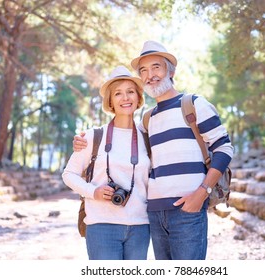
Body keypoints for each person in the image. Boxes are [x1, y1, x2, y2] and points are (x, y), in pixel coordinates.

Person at [73, 41, 234, 260]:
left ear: (171, 70)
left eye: (156, 67)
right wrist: (82, 140)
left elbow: (224, 147)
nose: (150, 75)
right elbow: (120, 137)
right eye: (144, 71)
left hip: (188, 210)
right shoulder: (147, 120)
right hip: (154, 215)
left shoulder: (194, 105)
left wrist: (202, 192)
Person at [62, 66, 151, 260]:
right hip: (101, 226)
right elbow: (68, 174)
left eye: (130, 92)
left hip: (140, 227)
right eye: (118, 93)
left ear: (138, 98)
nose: (125, 98)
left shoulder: (147, 137)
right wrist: (93, 192)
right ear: (110, 101)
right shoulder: (94, 136)